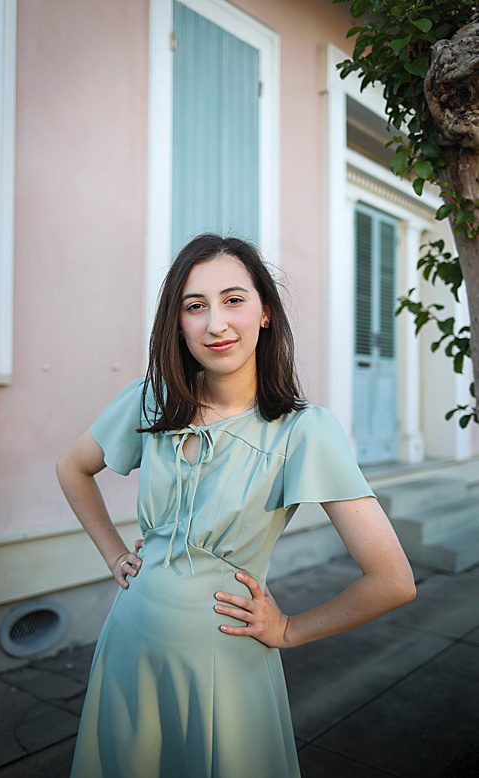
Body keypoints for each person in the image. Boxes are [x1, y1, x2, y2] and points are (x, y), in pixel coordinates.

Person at [55, 234, 418, 777]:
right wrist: (113, 554)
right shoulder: (152, 399)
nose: (215, 324)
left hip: (226, 666)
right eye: (194, 306)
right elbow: (73, 468)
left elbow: (392, 579)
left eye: (233, 300)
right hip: (129, 651)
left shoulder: (304, 431)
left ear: (265, 312)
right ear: (177, 323)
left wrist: (290, 629)